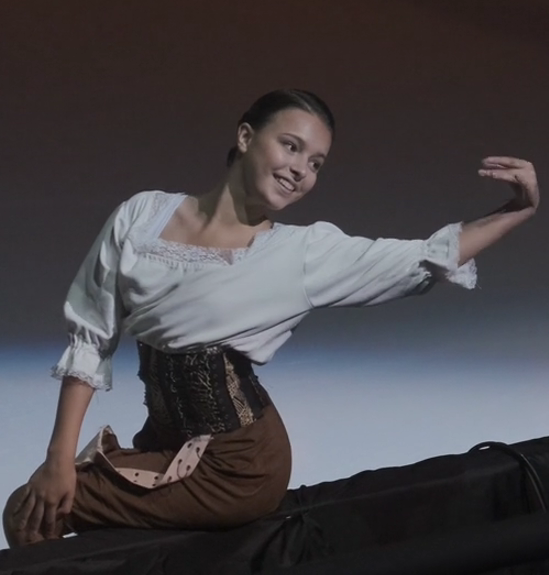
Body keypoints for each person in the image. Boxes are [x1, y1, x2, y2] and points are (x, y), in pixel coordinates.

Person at [2, 89, 540, 548]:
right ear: (245, 137)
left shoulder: (299, 254)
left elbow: (422, 257)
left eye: (316, 164)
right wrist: (59, 458)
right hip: (167, 439)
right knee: (47, 510)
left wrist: (517, 211)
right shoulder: (142, 216)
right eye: (291, 146)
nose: (300, 170)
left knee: (29, 513)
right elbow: (91, 338)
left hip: (238, 466)